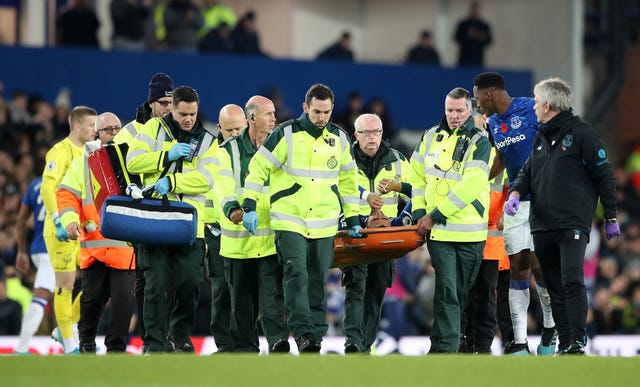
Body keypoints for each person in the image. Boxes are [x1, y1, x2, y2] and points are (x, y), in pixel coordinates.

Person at [241, 83, 361, 353]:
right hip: (289, 219)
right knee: (296, 274)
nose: (321, 118)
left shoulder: (340, 139)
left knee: (318, 280)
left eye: (326, 112)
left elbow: (349, 182)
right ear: (306, 107)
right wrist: (249, 203)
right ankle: (305, 332)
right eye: (317, 111)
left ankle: (314, 338)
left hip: (324, 222)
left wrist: (353, 218)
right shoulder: (285, 134)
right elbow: (258, 167)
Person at [506, 77, 620, 355]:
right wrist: (516, 193)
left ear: (547, 104)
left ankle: (578, 341)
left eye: (535, 101)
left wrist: (611, 217)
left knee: (571, 280)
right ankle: (567, 342)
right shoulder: (541, 136)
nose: (533, 106)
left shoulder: (584, 135)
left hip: (572, 223)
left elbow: (604, 176)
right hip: (542, 224)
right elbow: (527, 173)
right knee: (554, 286)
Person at [126, 86, 220, 354]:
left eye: (192, 114)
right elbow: (133, 162)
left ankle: (179, 334)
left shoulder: (207, 141)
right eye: (183, 114)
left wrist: (174, 180)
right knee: (155, 284)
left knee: (191, 282)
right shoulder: (153, 130)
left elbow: (206, 179)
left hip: (189, 222)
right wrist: (165, 156)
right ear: (173, 109)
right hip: (155, 219)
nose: (189, 119)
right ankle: (154, 344)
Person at [472, 72, 556, 355]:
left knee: (538, 267)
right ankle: (519, 342)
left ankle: (549, 327)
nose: (477, 105)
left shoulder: (529, 107)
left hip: (543, 201)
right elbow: (500, 159)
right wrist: (478, 179)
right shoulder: (493, 123)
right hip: (516, 203)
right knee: (517, 266)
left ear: (488, 94)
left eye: (477, 98)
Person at [410, 87, 490, 353]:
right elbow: (416, 178)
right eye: (450, 110)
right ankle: (445, 349)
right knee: (447, 291)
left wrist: (435, 215)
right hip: (440, 234)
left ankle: (448, 345)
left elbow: (471, 185)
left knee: (460, 293)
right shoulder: (430, 136)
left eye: (459, 111)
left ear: (470, 111)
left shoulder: (480, 142)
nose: (454, 116)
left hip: (470, 234)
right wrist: (421, 213)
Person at [57, 112, 135, 353]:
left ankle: (116, 352)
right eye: (108, 129)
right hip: (96, 249)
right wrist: (70, 221)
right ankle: (87, 345)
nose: (113, 133)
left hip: (125, 252)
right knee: (90, 303)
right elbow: (67, 194)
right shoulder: (83, 162)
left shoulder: (133, 159)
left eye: (117, 129)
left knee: (124, 306)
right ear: (96, 134)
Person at [216, 96, 289, 353]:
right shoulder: (228, 151)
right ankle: (245, 352)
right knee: (242, 305)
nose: (273, 118)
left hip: (269, 240)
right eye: (268, 114)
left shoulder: (282, 146)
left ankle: (279, 343)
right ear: (251, 119)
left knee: (272, 299)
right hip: (238, 243)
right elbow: (222, 186)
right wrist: (233, 209)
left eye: (274, 113)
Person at [342, 113, 412, 354]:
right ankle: (353, 342)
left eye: (376, 132)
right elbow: (331, 195)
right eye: (366, 133)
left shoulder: (399, 161)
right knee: (356, 288)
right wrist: (357, 220)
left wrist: (401, 221)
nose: (372, 137)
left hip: (385, 240)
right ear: (356, 135)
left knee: (376, 292)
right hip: (354, 235)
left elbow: (419, 194)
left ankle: (365, 346)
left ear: (383, 133)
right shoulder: (343, 159)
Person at [114, 72, 174, 338]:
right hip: (139, 208)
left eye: (171, 103)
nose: (168, 108)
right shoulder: (129, 132)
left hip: (169, 207)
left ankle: (167, 333)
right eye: (163, 103)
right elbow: (117, 170)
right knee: (144, 276)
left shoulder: (176, 128)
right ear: (151, 103)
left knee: (172, 275)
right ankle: (150, 335)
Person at [43, 105, 97, 354]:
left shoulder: (88, 153)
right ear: (77, 126)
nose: (94, 130)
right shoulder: (60, 151)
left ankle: (67, 325)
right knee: (65, 284)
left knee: (97, 279)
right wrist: (57, 221)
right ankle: (70, 345)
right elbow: (48, 188)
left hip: (82, 230)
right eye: (90, 126)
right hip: (60, 230)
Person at [205, 103, 244, 353]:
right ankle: (224, 346)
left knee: (245, 291)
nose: (234, 136)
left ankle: (244, 342)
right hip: (218, 232)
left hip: (247, 234)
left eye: (238, 130)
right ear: (220, 128)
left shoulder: (256, 154)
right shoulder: (211, 155)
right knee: (221, 291)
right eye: (229, 131)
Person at [14, 175, 55, 354]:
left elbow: (21, 220)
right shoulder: (65, 180)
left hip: (37, 247)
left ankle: (73, 342)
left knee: (64, 291)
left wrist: (21, 251)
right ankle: (22, 347)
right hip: (52, 247)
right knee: (42, 293)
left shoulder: (35, 184)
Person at [454, 1, 492, 67]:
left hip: (478, 58)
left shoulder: (484, 25)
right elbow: (456, 38)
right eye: (473, 10)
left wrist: (481, 37)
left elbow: (489, 41)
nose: (475, 12)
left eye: (476, 10)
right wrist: (468, 36)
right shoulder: (463, 24)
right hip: (464, 57)